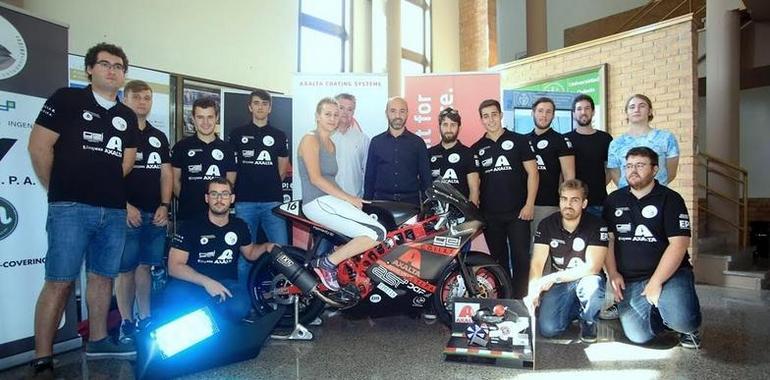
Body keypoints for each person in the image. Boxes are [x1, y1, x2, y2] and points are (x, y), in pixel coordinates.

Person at [28, 43, 138, 375]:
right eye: (105, 64)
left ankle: (100, 339)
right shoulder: (66, 99)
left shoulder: (126, 116)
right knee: (59, 281)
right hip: (70, 208)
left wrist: (99, 183)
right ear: (90, 69)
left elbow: (126, 163)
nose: (112, 70)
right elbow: (39, 146)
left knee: (103, 277)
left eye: (118, 67)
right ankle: (43, 355)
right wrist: (59, 188)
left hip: (113, 211)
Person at [603, 147, 701, 349]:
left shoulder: (671, 199)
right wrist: (612, 273)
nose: (633, 170)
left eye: (640, 165)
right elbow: (609, 241)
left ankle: (686, 325)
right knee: (638, 336)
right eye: (629, 166)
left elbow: (679, 243)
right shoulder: (614, 200)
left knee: (683, 320)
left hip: (671, 275)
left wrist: (656, 281)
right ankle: (662, 312)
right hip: (632, 279)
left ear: (655, 169)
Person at [300, 98, 386, 291]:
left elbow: (332, 181)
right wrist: (349, 199)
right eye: (328, 114)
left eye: (336, 115)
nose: (333, 118)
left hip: (329, 200)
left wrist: (350, 199)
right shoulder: (310, 138)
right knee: (377, 233)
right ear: (317, 117)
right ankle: (326, 264)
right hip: (316, 201)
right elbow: (315, 178)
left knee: (374, 233)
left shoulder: (330, 144)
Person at [166, 178, 274, 321]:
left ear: (232, 198)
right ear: (207, 198)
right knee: (171, 300)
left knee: (240, 306)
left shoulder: (239, 226)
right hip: (194, 283)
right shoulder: (189, 226)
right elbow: (174, 267)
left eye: (224, 194)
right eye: (214, 194)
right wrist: (207, 282)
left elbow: (250, 253)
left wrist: (266, 246)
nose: (219, 199)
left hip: (226, 284)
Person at [115, 80, 172, 343]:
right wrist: (125, 206)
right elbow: (106, 176)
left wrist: (164, 205)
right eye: (136, 97)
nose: (142, 102)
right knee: (125, 269)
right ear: (125, 99)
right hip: (125, 213)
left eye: (147, 98)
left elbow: (166, 175)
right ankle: (126, 322)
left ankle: (145, 317)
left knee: (145, 268)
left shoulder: (158, 137)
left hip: (154, 213)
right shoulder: (116, 131)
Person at [525, 179, 608, 343]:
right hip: (562, 283)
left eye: (574, 200)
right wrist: (533, 291)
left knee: (592, 287)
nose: (568, 204)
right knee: (548, 329)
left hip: (587, 278)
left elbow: (593, 267)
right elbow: (537, 263)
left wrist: (552, 278)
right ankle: (576, 311)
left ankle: (589, 321)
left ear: (584, 203)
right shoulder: (547, 224)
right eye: (564, 199)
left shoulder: (597, 224)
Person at [472, 99, 539, 298]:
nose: (490, 119)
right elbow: (475, 185)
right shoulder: (477, 148)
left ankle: (521, 300)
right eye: (485, 116)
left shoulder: (519, 140)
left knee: (520, 259)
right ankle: (504, 300)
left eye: (494, 114)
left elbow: (533, 174)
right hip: (491, 216)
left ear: (501, 115)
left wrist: (529, 204)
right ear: (481, 120)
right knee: (498, 261)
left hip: (518, 213)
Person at [227, 89, 289, 291]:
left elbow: (281, 171)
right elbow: (232, 169)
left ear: (270, 108)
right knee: (245, 255)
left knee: (282, 253)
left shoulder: (279, 136)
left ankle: (284, 301)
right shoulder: (237, 134)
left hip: (273, 202)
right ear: (250, 106)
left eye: (264, 103)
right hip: (245, 203)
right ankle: (243, 303)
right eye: (256, 103)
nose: (260, 107)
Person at [171, 97, 236, 221]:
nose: (205, 122)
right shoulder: (181, 147)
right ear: (193, 119)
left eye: (210, 117)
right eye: (200, 117)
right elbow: (175, 182)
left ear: (216, 118)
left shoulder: (228, 149)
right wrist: (188, 199)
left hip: (218, 218)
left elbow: (230, 183)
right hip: (188, 216)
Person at [526, 97, 575, 247]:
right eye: (540, 111)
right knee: (524, 250)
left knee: (544, 249)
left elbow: (569, 176)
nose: (544, 115)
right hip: (524, 205)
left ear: (553, 115)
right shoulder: (523, 140)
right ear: (533, 113)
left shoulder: (560, 140)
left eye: (549, 112)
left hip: (548, 205)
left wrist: (565, 204)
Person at [364, 96, 431, 206]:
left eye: (402, 111)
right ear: (386, 113)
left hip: (410, 204)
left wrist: (428, 206)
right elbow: (370, 177)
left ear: (407, 113)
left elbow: (426, 179)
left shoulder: (418, 143)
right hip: (381, 202)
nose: (398, 116)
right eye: (393, 111)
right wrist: (367, 205)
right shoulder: (376, 142)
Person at [607, 94, 679, 188]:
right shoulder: (616, 144)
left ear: (650, 111)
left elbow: (671, 172)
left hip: (658, 195)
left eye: (642, 106)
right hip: (627, 197)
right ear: (627, 113)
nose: (636, 110)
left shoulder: (666, 138)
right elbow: (615, 174)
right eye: (632, 107)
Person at [565, 94, 612, 217]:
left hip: (599, 202)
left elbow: (609, 170)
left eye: (587, 108)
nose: (583, 112)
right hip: (572, 203)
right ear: (574, 113)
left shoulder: (605, 138)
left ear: (593, 111)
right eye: (579, 109)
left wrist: (596, 186)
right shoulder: (565, 139)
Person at [428, 107, 480, 205]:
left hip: (461, 215)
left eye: (453, 125)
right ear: (439, 127)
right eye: (445, 125)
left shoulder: (468, 153)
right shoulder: (429, 153)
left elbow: (474, 190)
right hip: (435, 214)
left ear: (459, 128)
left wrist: (471, 216)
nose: (449, 129)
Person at [332, 93, 370, 197]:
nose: (345, 112)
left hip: (354, 199)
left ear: (353, 112)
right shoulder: (324, 137)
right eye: (341, 108)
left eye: (349, 109)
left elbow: (367, 172)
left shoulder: (363, 139)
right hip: (328, 199)